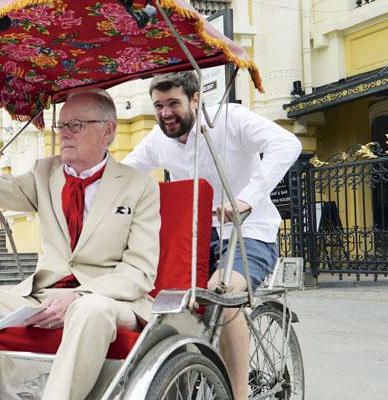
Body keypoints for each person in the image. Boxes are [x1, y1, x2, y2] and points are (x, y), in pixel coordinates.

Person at [0, 89, 160, 400]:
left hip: (109, 301)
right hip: (42, 295)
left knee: (89, 310)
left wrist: (79, 294)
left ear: (109, 131)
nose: (64, 134)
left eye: (75, 125)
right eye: (61, 126)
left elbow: (139, 271)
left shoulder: (139, 185)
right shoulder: (44, 172)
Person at [123, 71, 302, 399]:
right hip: (196, 237)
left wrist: (246, 199)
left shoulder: (230, 119)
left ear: (195, 99)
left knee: (222, 290)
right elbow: (126, 173)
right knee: (168, 299)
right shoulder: (158, 137)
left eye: (173, 103)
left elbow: (287, 143)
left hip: (249, 233)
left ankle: (238, 394)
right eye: (159, 105)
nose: (165, 113)